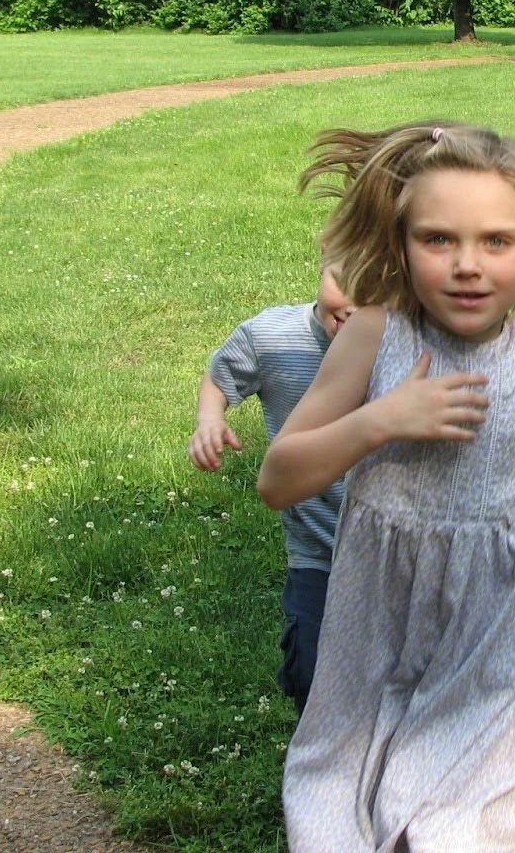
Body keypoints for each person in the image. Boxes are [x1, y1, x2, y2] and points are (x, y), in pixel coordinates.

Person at [258, 120, 515, 852]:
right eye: (437, 240)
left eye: (496, 241)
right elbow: (278, 478)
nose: (467, 265)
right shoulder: (374, 337)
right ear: (401, 247)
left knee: (468, 801)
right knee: (345, 775)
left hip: (499, 601)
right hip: (381, 594)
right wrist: (378, 421)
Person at [188, 265, 356, 713]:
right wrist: (210, 419)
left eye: (376, 290)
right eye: (344, 281)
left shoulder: (403, 346)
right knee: (312, 672)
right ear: (322, 265)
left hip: (393, 550)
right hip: (317, 549)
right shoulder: (273, 338)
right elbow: (219, 377)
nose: (354, 304)